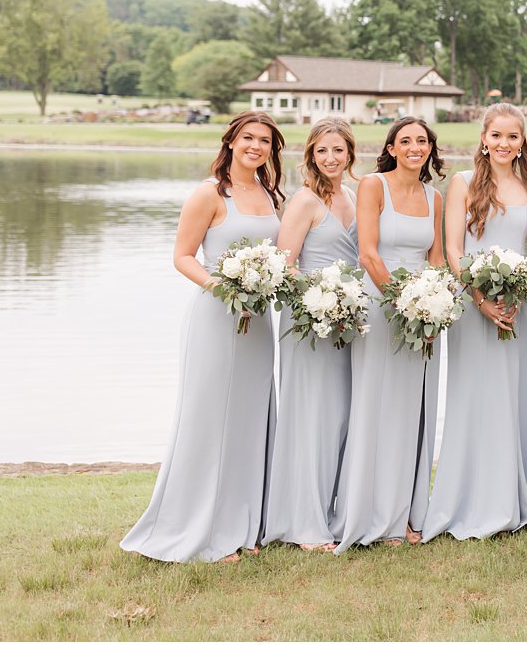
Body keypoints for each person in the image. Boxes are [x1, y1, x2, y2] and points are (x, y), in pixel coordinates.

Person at [121, 111, 285, 563]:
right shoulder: (209, 194)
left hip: (258, 323)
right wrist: (223, 286)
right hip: (217, 316)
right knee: (210, 418)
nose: (256, 146)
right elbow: (182, 256)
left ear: (272, 150)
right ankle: (198, 531)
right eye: (248, 137)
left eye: (265, 141)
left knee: (250, 419)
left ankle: (243, 524)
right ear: (231, 141)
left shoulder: (271, 196)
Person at [424, 103, 527, 539]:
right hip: (474, 307)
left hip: (519, 307)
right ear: (483, 138)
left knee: (510, 399)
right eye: (496, 136)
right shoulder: (463, 183)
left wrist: (520, 288)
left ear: (522, 141)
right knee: (475, 397)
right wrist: (479, 298)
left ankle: (507, 503)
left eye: (512, 136)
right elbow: (453, 249)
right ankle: (466, 503)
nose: (504, 144)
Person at [334, 117, 444, 551]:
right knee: (376, 406)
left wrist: (433, 302)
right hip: (382, 309)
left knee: (411, 411)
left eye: (422, 141)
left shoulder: (435, 196)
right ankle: (369, 515)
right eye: (406, 141)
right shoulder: (372, 186)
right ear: (392, 148)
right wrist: (404, 301)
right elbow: (367, 252)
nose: (414, 147)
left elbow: (435, 257)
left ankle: (405, 515)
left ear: (430, 149)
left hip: (423, 313)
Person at [263, 118, 359, 552]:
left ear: (350, 153)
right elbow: (286, 265)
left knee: (339, 418)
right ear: (310, 156)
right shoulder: (303, 201)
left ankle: (333, 512)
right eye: (322, 151)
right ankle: (303, 523)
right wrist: (323, 300)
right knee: (312, 416)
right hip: (309, 321)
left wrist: (347, 304)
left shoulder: (355, 197)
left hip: (347, 321)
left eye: (338, 150)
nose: (331, 159)